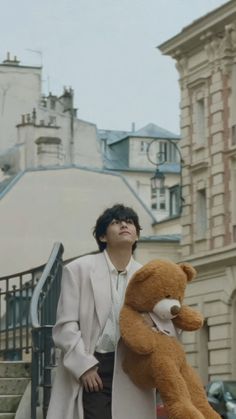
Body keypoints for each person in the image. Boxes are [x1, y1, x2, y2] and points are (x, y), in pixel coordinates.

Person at [46, 203, 156, 419]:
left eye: (130, 222)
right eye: (116, 222)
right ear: (103, 237)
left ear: (137, 236)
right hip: (94, 364)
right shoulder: (79, 269)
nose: (124, 225)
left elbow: (162, 322)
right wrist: (84, 366)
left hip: (131, 367)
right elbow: (65, 326)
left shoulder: (148, 276)